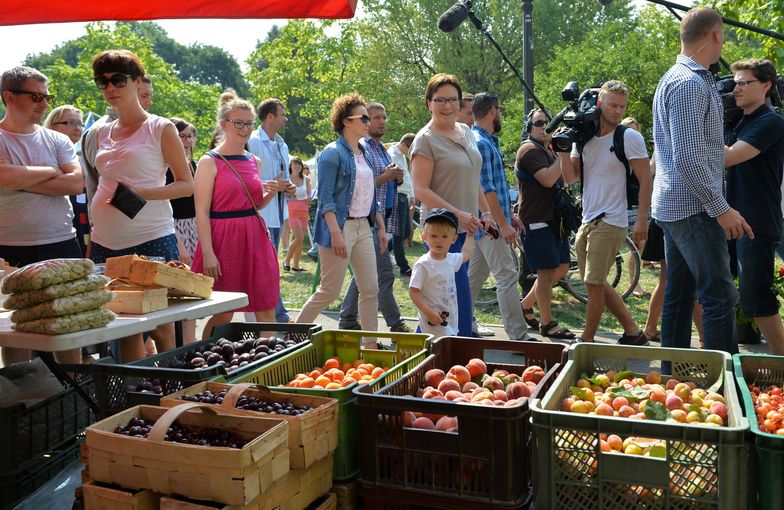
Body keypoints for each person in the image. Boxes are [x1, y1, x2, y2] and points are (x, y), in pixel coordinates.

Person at [652, 7, 749, 354]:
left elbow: (690, 151)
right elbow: (689, 158)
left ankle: (673, 379)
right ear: (716, 35)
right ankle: (726, 387)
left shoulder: (677, 78)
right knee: (720, 296)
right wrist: (721, 208)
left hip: (675, 206)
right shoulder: (690, 83)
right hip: (694, 209)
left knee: (679, 296)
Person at [88, 50, 193, 362]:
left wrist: (143, 192)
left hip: (150, 238)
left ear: (137, 82)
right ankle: (131, 397)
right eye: (102, 81)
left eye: (117, 79)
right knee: (123, 327)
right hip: (104, 242)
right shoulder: (99, 131)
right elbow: (99, 184)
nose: (109, 87)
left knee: (161, 326)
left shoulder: (160, 127)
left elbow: (186, 184)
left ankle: (176, 392)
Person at [0, 66, 83, 365]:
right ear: (9, 97)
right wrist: (51, 172)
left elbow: (75, 182)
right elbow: (3, 177)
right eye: (36, 95)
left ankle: (75, 400)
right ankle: (25, 404)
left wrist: (20, 180)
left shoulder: (57, 140)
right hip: (9, 247)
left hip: (59, 242)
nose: (44, 103)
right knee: (13, 329)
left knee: (68, 325)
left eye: (47, 96)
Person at [562, 80, 652, 344]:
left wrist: (643, 219)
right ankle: (633, 332)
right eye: (612, 105)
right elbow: (569, 177)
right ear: (600, 103)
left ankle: (586, 340)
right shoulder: (583, 137)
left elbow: (646, 180)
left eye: (622, 106)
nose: (618, 111)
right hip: (588, 219)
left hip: (612, 220)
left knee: (592, 284)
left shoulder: (629, 137)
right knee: (597, 282)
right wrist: (561, 149)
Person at [295, 93, 387, 347]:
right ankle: (292, 336)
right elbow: (325, 198)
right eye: (364, 118)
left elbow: (370, 195)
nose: (368, 122)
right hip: (339, 227)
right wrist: (335, 233)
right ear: (347, 121)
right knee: (329, 290)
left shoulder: (365, 151)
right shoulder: (331, 154)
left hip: (363, 227)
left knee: (370, 288)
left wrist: (380, 226)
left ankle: (371, 346)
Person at [192, 89, 280, 336]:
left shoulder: (254, 160)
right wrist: (208, 253)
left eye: (249, 123)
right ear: (224, 124)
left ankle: (269, 363)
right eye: (238, 123)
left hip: (255, 237)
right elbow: (201, 210)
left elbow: (254, 205)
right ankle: (201, 355)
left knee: (266, 304)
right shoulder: (210, 161)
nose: (244, 128)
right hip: (224, 239)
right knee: (224, 311)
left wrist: (269, 194)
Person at [411, 73, 490, 337]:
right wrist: (459, 215)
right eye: (440, 100)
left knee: (453, 299)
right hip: (442, 232)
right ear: (428, 103)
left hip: (467, 228)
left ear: (460, 103)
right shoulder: (425, 139)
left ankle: (451, 355)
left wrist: (485, 212)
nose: (447, 106)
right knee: (450, 301)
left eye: (452, 100)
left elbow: (472, 176)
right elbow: (420, 189)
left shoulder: (466, 131)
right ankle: (451, 357)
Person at [724, 59, 784, 354]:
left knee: (755, 297)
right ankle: (725, 358)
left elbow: (729, 157)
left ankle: (780, 361)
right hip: (728, 218)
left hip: (757, 222)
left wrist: (694, 129)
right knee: (717, 291)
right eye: (735, 82)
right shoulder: (740, 120)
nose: (735, 88)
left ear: (766, 85)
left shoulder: (771, 121)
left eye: (743, 82)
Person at [337, 102, 412, 333]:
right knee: (385, 274)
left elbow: (380, 179)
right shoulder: (363, 147)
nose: (381, 121)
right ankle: (396, 323)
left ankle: (348, 319)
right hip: (364, 219)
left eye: (383, 117)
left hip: (381, 218)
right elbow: (360, 185)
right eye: (374, 117)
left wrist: (394, 178)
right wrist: (386, 176)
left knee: (364, 274)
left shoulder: (380, 148)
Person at [466, 93, 528, 341]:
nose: (500, 114)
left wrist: (509, 214)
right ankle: (519, 336)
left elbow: (496, 188)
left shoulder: (482, 140)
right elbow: (487, 188)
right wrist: (503, 224)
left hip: (487, 223)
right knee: (507, 275)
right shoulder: (481, 143)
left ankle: (461, 326)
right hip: (491, 225)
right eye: (499, 110)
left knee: (474, 278)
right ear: (493, 110)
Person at [516, 108, 574, 340]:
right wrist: (561, 152)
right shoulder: (529, 150)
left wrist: (564, 149)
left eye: (548, 123)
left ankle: (526, 305)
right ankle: (547, 323)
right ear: (529, 127)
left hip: (555, 221)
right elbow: (549, 179)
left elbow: (570, 177)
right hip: (536, 219)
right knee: (547, 270)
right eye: (539, 123)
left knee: (561, 267)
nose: (544, 127)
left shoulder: (550, 149)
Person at [247, 98, 296, 323]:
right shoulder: (253, 141)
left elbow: (282, 178)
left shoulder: (282, 143)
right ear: (269, 117)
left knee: (271, 266)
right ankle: (276, 314)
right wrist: (274, 184)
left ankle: (276, 312)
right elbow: (249, 178)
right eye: (282, 114)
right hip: (262, 214)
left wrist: (288, 187)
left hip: (278, 213)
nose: (286, 118)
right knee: (266, 267)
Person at [83, 76, 154, 206]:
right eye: (145, 95)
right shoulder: (99, 131)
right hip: (113, 218)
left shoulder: (151, 128)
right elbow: (108, 185)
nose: (150, 102)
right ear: (130, 93)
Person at [410, 209, 474, 337]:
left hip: (450, 320)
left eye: (444, 236)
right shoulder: (423, 264)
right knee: (439, 349)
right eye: (434, 236)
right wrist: (428, 313)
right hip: (433, 321)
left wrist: (470, 236)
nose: (439, 240)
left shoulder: (451, 259)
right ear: (424, 237)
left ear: (453, 239)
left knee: (445, 349)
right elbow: (413, 292)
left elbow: (466, 254)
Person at [43, 105, 89, 257]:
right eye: (69, 123)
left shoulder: (81, 158)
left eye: (80, 124)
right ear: (52, 125)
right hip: (50, 233)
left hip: (79, 227)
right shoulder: (43, 157)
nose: (77, 128)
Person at [620, 116, 648, 298]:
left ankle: (635, 282)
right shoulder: (620, 157)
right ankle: (633, 283)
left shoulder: (640, 156)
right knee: (637, 245)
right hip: (627, 204)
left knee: (641, 246)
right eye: (629, 130)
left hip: (640, 204)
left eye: (635, 131)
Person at [166, 118, 198, 266]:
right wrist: (180, 244)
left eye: (190, 136)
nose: (188, 141)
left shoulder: (192, 164)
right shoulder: (166, 169)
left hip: (194, 226)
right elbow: (165, 209)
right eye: (182, 136)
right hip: (176, 229)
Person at [387, 133, 416, 276]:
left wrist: (411, 195)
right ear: (404, 145)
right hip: (396, 195)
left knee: (405, 232)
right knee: (399, 233)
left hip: (404, 195)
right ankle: (403, 267)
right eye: (411, 149)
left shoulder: (403, 156)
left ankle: (382, 251)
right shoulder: (391, 155)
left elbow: (407, 176)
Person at [283, 156, 311, 272]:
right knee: (299, 237)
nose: (297, 166)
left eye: (299, 164)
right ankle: (286, 261)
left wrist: (308, 198)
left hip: (303, 209)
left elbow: (309, 195)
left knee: (299, 239)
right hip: (291, 209)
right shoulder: (287, 179)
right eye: (295, 164)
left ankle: (296, 265)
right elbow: (285, 195)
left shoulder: (306, 179)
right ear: (290, 166)